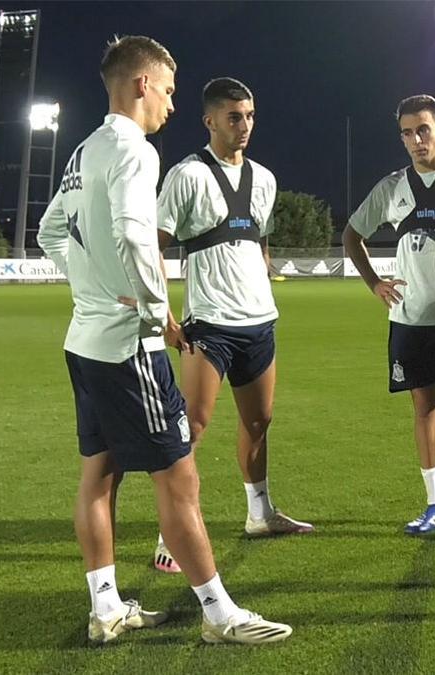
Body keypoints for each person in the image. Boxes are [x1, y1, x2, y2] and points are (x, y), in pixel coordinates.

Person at [37, 36, 291, 644]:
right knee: (180, 481)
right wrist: (154, 311)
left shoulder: (84, 150)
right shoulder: (134, 149)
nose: (171, 106)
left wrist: (93, 289)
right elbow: (134, 232)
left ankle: (106, 610)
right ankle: (220, 615)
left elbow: (50, 232)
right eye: (169, 91)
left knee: (98, 478)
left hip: (85, 340)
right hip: (129, 347)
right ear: (141, 85)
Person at [151, 76, 312, 573]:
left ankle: (259, 514)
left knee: (259, 422)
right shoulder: (187, 175)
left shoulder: (264, 178)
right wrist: (165, 316)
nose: (244, 126)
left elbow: (257, 240)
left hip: (259, 322)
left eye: (250, 116)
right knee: (192, 427)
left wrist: (260, 275)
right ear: (210, 121)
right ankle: (168, 535)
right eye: (234, 117)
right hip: (209, 325)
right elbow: (153, 245)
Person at [342, 94, 435, 536]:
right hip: (409, 322)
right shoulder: (391, 188)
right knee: (425, 408)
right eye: (406, 132)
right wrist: (375, 283)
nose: (415, 140)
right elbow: (352, 236)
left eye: (423, 129)